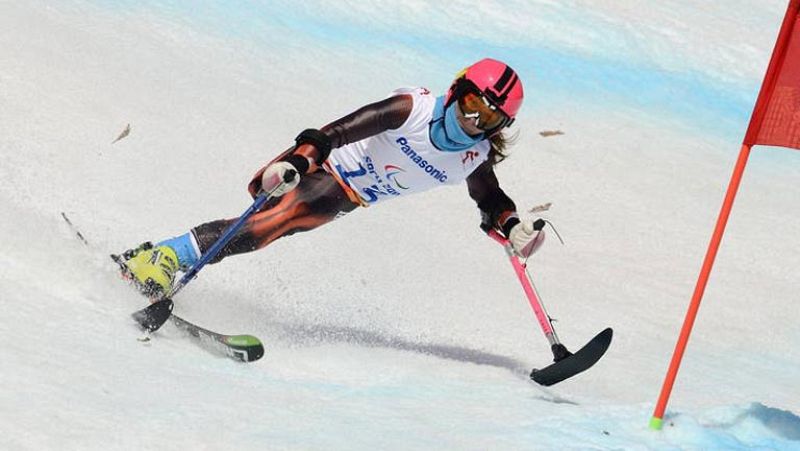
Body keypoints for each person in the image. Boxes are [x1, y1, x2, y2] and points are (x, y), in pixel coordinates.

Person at [118, 58, 545, 297]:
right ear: (456, 89)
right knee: (269, 224)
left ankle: (161, 254)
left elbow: (490, 199)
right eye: (472, 104)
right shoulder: (410, 110)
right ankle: (165, 258)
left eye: (488, 116)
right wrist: (300, 163)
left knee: (260, 233)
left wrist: (515, 227)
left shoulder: (474, 155)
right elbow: (336, 133)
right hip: (321, 168)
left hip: (347, 199)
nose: (472, 120)